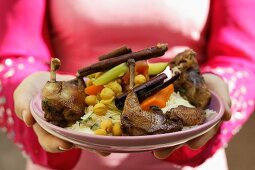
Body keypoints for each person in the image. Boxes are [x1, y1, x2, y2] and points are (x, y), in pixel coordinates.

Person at [1, 0, 255, 169]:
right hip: (74, 143)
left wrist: (216, 94)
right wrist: (29, 87)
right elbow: (13, 55)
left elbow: (242, 58)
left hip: (189, 158)